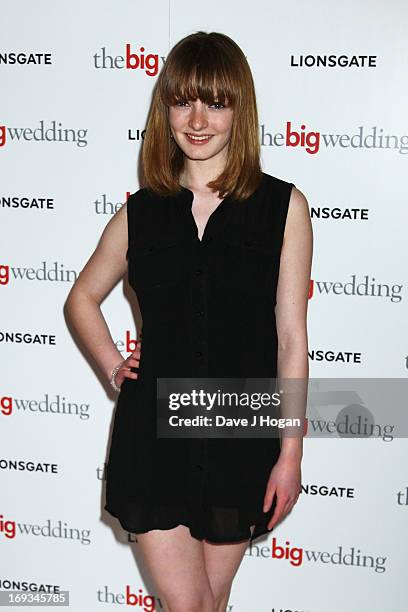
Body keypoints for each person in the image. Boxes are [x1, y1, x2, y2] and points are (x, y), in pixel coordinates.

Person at [65, 30, 312, 612]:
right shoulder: (142, 211)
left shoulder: (284, 208)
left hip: (240, 435)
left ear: (239, 110)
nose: (198, 119)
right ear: (166, 109)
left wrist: (291, 453)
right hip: (153, 436)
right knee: (190, 606)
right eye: (184, 101)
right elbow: (81, 299)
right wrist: (112, 365)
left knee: (211, 602)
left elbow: (292, 339)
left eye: (217, 103)